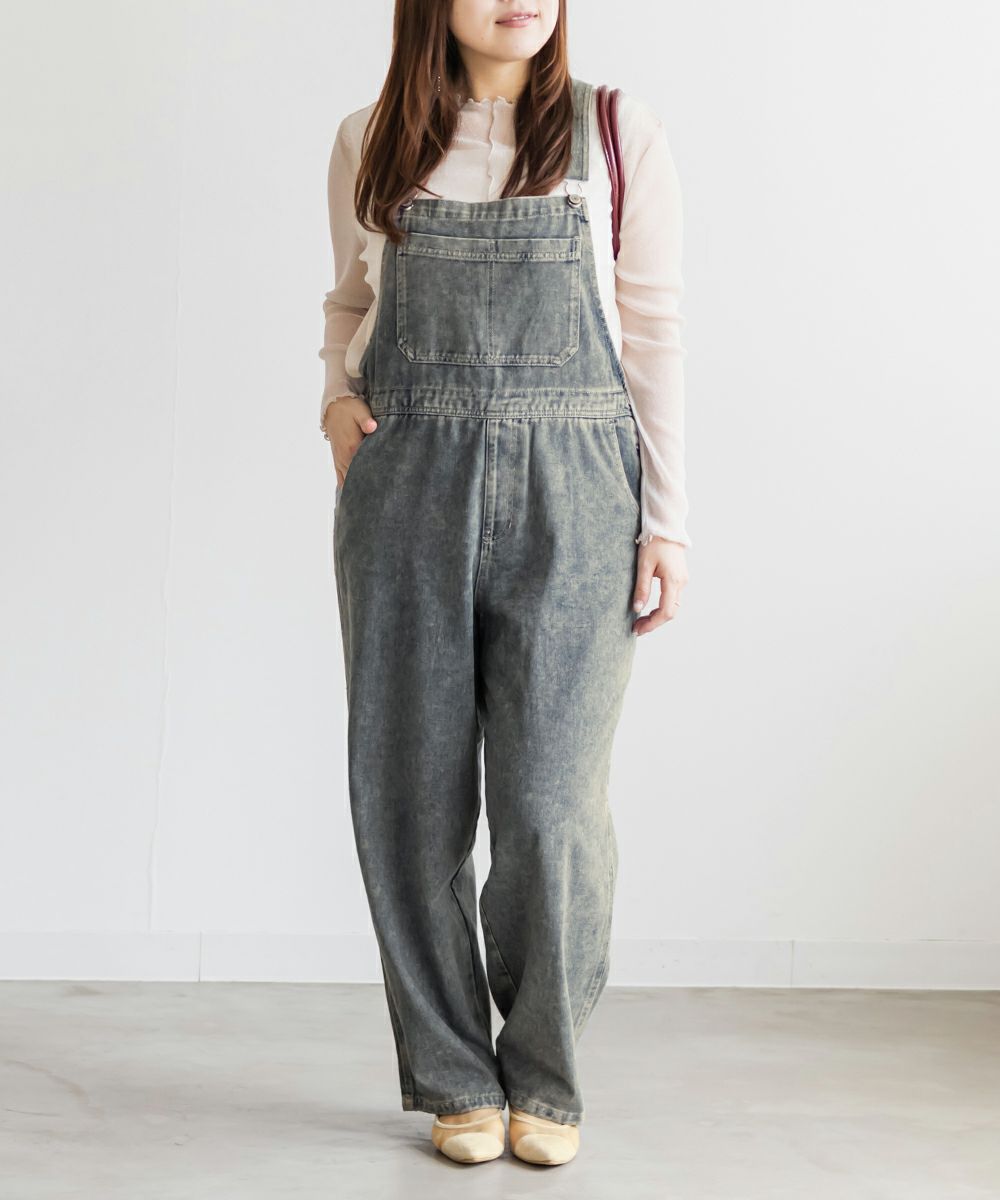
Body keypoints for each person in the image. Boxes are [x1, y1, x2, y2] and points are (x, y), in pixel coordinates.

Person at [318, 0, 691, 1168]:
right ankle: (451, 1078)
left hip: (577, 493)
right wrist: (333, 403)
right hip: (406, 486)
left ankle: (545, 1075)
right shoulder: (369, 137)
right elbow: (349, 302)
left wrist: (667, 525)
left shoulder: (614, 132)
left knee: (549, 806)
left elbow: (652, 334)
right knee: (409, 799)